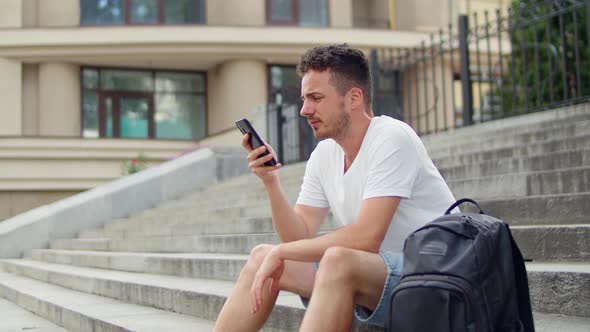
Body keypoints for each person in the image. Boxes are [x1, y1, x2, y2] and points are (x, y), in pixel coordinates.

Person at [213, 44, 456, 331]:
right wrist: (271, 181)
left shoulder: (391, 137)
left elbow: (366, 238)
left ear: (354, 97)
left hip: (437, 277)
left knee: (337, 260)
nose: (304, 110)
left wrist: (283, 252)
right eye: (304, 99)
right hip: (378, 273)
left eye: (315, 98)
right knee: (262, 256)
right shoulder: (325, 154)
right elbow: (298, 236)